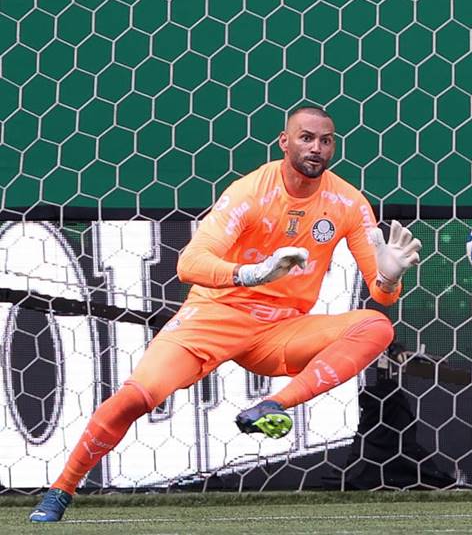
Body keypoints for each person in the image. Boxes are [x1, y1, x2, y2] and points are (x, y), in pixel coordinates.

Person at [30, 106, 422, 523]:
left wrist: (391, 275)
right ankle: (60, 492)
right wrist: (252, 273)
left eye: (326, 140)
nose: (317, 148)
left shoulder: (348, 202)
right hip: (213, 316)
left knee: (374, 327)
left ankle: (272, 405)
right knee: (134, 398)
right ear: (284, 142)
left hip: (282, 329)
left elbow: (382, 295)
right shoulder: (250, 191)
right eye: (306, 138)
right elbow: (189, 263)